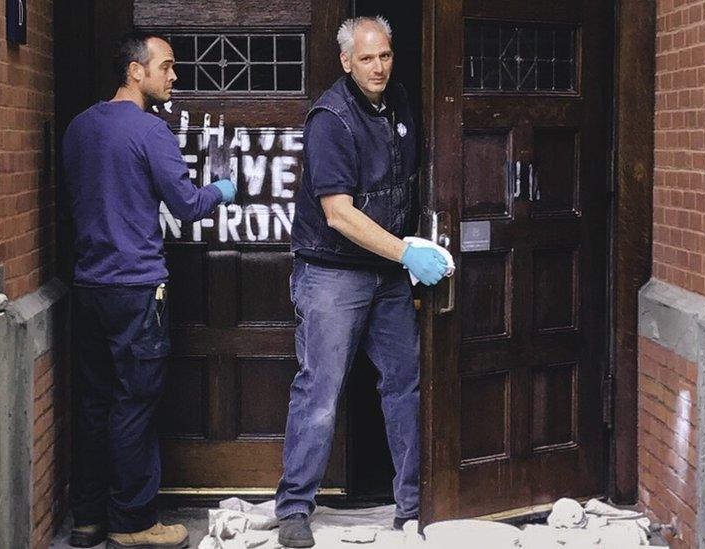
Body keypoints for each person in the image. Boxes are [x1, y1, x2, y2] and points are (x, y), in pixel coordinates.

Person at [275, 16, 450, 548]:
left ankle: (413, 506)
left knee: (405, 386)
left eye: (385, 56)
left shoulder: (397, 102)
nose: (378, 67)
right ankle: (294, 510)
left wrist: (408, 252)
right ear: (346, 61)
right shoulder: (331, 117)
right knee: (320, 392)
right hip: (332, 274)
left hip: (388, 276)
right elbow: (338, 214)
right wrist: (407, 252)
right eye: (367, 58)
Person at [62, 31, 236, 549]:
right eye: (166, 66)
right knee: (133, 406)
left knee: (94, 404)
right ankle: (134, 523)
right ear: (135, 72)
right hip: (137, 289)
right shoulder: (148, 130)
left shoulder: (78, 128)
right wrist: (221, 191)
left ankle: (88, 519)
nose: (173, 75)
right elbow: (185, 205)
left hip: (89, 286)